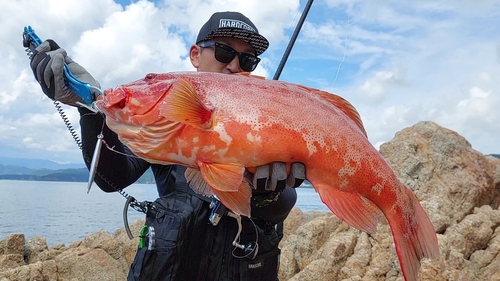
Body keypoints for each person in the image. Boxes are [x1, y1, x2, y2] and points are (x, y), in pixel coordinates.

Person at [30, 11, 305, 281]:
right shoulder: (164, 120)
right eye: (224, 52)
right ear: (195, 55)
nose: (234, 65)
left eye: (247, 59)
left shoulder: (269, 118)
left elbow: (283, 205)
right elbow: (112, 177)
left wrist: (267, 194)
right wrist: (90, 109)